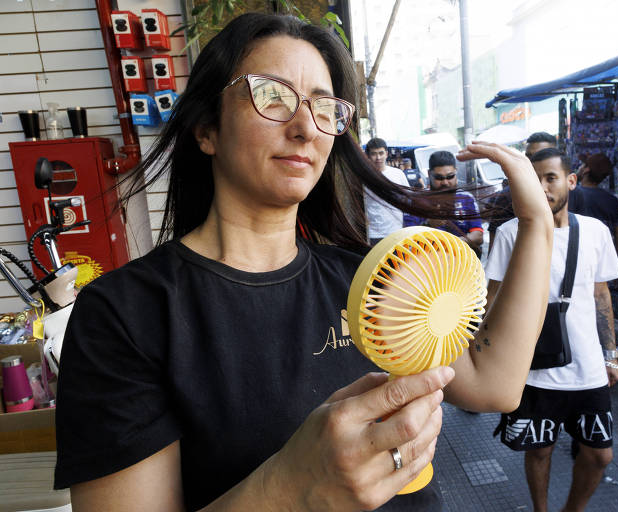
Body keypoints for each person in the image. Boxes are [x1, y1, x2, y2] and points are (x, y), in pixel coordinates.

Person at [53, 13, 554, 512]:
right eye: (271, 95)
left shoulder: (367, 280)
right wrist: (289, 488)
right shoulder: (125, 315)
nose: (304, 128)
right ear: (207, 128)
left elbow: (494, 382)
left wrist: (537, 225)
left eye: (324, 107)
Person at [486, 148, 618, 512]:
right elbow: (492, 298)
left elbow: (600, 294)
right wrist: (490, 358)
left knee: (600, 455)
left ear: (571, 181)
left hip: (588, 368)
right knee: (539, 450)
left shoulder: (595, 231)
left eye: (551, 177)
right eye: (535, 179)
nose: (543, 187)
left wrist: (611, 355)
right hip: (532, 369)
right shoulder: (510, 233)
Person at [487, 132, 558, 250]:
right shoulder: (507, 196)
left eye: (542, 155)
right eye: (529, 156)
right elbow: (494, 249)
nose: (533, 161)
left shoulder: (571, 195)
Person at [404, 150, 483, 255]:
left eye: (450, 176)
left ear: (456, 171)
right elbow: (407, 240)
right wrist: (428, 225)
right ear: (429, 174)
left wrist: (452, 244)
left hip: (462, 264)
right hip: (429, 265)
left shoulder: (467, 199)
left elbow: (478, 236)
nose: (445, 182)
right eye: (439, 178)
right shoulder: (417, 201)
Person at [569, 153, 618, 271]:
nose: (579, 167)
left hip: (576, 261)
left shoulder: (572, 193)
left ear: (586, 170)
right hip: (602, 262)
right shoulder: (612, 200)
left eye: (582, 165)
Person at [365, 137, 410, 244]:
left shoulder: (398, 174)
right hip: (373, 234)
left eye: (381, 153)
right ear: (368, 156)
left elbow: (408, 198)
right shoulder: (363, 177)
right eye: (374, 154)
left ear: (387, 153)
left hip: (396, 231)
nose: (378, 157)